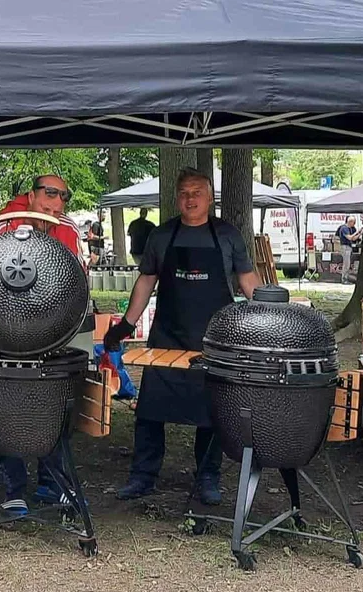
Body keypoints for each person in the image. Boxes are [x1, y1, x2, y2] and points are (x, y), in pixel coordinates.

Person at [104, 168, 261, 505]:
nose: (191, 199)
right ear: (177, 198)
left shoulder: (228, 235)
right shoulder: (162, 235)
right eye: (184, 193)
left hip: (214, 339)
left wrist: (267, 318)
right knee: (149, 410)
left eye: (197, 192)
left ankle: (207, 477)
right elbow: (146, 280)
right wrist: (126, 325)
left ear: (210, 198)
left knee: (212, 412)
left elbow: (248, 279)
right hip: (167, 336)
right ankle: (143, 476)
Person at [0, 174, 87, 514]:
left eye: (62, 198)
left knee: (54, 406)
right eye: (49, 195)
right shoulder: (2, 225)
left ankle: (51, 484)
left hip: (54, 333)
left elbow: (79, 279)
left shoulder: (67, 229)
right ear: (31, 195)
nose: (55, 205)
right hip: (4, 334)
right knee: (7, 407)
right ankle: (13, 486)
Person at [335, 216, 362, 285]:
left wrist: (360, 234)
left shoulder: (351, 229)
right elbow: (349, 237)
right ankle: (344, 279)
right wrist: (357, 232)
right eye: (354, 222)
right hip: (345, 247)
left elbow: (353, 239)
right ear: (350, 222)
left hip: (349, 247)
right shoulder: (344, 228)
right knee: (346, 264)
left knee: (348, 263)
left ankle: (346, 278)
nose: (354, 224)